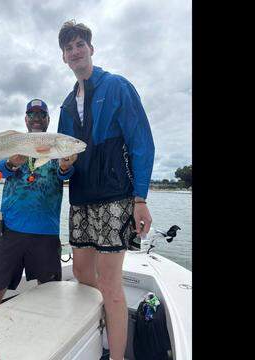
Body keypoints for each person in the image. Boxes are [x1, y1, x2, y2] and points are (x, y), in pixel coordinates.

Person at [56, 21, 155, 359]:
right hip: (81, 198)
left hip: (116, 196)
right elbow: (61, 162)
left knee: (112, 283)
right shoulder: (67, 106)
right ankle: (107, 323)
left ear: (91, 49)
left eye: (80, 44)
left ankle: (115, 354)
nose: (75, 51)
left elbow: (141, 142)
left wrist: (139, 198)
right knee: (83, 273)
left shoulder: (117, 86)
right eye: (69, 48)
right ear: (64, 57)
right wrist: (64, 166)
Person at [0, 98, 78, 315]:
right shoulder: (14, 142)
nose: (36, 119)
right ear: (25, 119)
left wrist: (66, 164)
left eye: (41, 115)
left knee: (50, 292)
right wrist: (13, 162)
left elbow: (65, 174)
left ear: (48, 119)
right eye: (32, 115)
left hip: (46, 235)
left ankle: (49, 343)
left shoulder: (56, 146)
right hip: (10, 232)